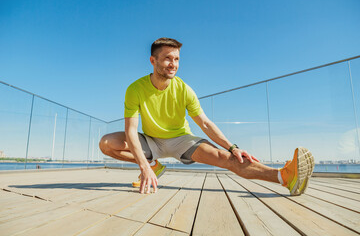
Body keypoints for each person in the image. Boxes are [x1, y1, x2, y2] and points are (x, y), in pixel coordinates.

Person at [99, 37, 314, 195]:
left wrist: (232, 147)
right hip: (151, 140)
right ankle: (154, 165)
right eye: (167, 59)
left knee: (228, 159)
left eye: (176, 59)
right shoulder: (135, 89)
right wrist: (144, 166)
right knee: (107, 143)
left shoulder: (184, 90)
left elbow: (205, 124)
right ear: (153, 61)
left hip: (181, 140)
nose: (173, 64)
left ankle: (285, 176)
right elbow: (130, 131)